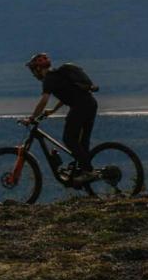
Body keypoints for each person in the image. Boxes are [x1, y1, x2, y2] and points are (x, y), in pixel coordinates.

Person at [21, 53, 103, 184]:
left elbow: (43, 101)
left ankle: (88, 172)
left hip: (80, 107)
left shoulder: (48, 79)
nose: (34, 74)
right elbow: (68, 94)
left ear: (37, 69)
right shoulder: (57, 75)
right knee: (82, 143)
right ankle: (84, 170)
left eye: (33, 70)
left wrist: (32, 118)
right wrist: (53, 110)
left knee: (69, 139)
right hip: (91, 104)